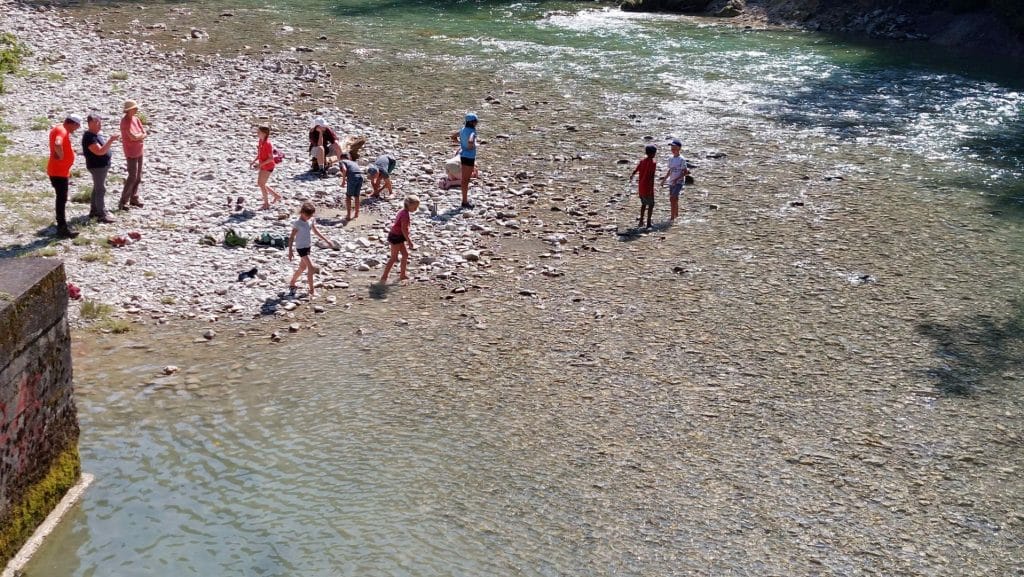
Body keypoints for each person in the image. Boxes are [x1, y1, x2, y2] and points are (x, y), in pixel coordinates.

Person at [288, 201, 333, 298]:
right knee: (311, 267)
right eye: (307, 215)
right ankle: (312, 290)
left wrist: (326, 240)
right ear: (302, 212)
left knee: (302, 267)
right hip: (301, 248)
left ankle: (292, 282)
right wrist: (290, 251)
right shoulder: (297, 224)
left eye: (310, 216)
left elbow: (316, 231)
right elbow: (291, 238)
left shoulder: (310, 221)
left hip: (308, 246)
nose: (308, 217)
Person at [47, 114, 82, 238]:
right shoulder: (62, 130)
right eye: (77, 126)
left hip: (59, 171)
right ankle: (62, 227)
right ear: (73, 123)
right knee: (61, 199)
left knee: (61, 198)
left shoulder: (59, 128)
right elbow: (58, 144)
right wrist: (61, 156)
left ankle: (61, 224)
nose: (76, 129)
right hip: (58, 172)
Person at [81, 113, 119, 223]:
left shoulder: (96, 135)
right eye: (97, 122)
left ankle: (94, 210)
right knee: (100, 189)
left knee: (97, 188)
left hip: (101, 166)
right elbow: (99, 151)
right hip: (97, 167)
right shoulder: (89, 137)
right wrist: (111, 140)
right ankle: (101, 214)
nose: (100, 124)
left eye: (100, 122)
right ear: (90, 123)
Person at [380, 195, 420, 285]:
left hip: (399, 236)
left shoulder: (402, 211)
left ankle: (402, 274)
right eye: (415, 207)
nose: (416, 209)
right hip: (396, 236)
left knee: (405, 254)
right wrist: (409, 241)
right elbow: (404, 229)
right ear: (409, 205)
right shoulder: (405, 215)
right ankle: (384, 277)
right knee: (393, 258)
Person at [118, 99, 147, 211]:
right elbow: (132, 137)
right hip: (131, 152)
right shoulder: (124, 122)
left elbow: (144, 133)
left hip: (139, 150)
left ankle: (134, 197)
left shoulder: (136, 119)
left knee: (138, 176)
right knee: (132, 176)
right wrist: (140, 136)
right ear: (129, 110)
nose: (136, 110)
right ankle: (123, 201)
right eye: (134, 108)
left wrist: (139, 136)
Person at [449, 112, 478, 209]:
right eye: (476, 121)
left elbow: (453, 136)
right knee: (466, 180)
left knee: (464, 179)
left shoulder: (462, 130)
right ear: (472, 122)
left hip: (463, 156)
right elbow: (471, 140)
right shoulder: (472, 131)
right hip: (469, 157)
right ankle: (464, 201)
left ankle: (464, 200)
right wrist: (471, 146)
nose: (476, 123)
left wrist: (461, 143)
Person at [250, 125, 282, 210]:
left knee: (261, 184)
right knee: (261, 183)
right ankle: (276, 196)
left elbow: (271, 158)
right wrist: (254, 161)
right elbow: (260, 153)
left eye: (259, 132)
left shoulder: (268, 144)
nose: (257, 133)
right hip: (263, 165)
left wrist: (260, 165)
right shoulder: (261, 141)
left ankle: (266, 204)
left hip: (268, 166)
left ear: (264, 133)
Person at [630, 144, 657, 229]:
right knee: (651, 204)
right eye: (655, 153)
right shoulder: (653, 163)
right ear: (652, 154)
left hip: (641, 187)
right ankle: (648, 222)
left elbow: (635, 170)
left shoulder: (642, 161)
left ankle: (641, 221)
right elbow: (651, 176)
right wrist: (651, 189)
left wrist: (632, 176)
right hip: (648, 187)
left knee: (644, 204)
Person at [660, 138, 688, 221]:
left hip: (679, 182)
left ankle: (672, 218)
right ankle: (676, 215)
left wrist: (677, 179)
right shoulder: (670, 158)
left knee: (672, 198)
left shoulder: (682, 159)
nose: (673, 149)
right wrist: (664, 179)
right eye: (672, 148)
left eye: (674, 147)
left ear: (679, 148)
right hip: (671, 181)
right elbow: (670, 170)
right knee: (674, 199)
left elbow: (686, 172)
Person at [338, 153, 363, 221]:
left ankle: (348, 216)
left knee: (348, 196)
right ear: (349, 158)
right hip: (360, 176)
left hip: (353, 177)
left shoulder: (342, 161)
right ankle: (356, 214)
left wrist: (343, 181)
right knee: (356, 196)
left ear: (341, 158)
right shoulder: (353, 162)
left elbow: (344, 169)